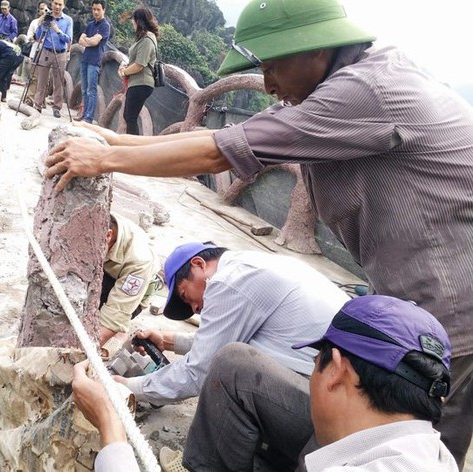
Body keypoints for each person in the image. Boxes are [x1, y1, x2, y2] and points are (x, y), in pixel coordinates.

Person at [48, 0, 473, 464]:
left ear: (315, 51)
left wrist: (106, 159)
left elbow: (218, 153)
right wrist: (117, 140)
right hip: (400, 313)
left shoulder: (365, 91)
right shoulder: (349, 84)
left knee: (406, 452)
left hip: (448, 324)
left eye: (272, 67)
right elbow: (228, 138)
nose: (268, 85)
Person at [73, 295, 459, 472]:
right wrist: (174, 340)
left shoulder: (232, 285)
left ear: (338, 370)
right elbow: (228, 346)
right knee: (236, 362)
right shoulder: (432, 452)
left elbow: (192, 374)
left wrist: (111, 424)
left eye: (316, 363)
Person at [118, 241, 347, 406]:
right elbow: (225, 338)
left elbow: (197, 373)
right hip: (344, 387)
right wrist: (168, 341)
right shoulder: (248, 266)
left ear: (199, 264)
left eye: (187, 297)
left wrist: (126, 387)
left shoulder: (228, 282)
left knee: (227, 370)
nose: (195, 309)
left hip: (330, 399)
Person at [99, 214, 158, 351]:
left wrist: (76, 354)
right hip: (106, 273)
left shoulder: (139, 260)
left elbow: (112, 317)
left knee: (106, 321)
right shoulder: (102, 223)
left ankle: (121, 332)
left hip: (133, 296)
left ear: (108, 236)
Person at [117, 7, 158, 135]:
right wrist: (125, 67)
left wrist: (124, 72)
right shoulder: (143, 37)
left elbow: (139, 65)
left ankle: (133, 146)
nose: (132, 23)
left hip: (142, 83)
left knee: (130, 117)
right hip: (137, 82)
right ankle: (132, 145)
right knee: (129, 116)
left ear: (139, 21)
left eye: (133, 20)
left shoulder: (147, 39)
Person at [33, 0, 73, 118]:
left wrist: (57, 30)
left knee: (59, 81)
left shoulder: (68, 20)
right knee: (42, 81)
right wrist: (41, 22)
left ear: (64, 6)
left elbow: (68, 39)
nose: (57, 6)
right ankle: (38, 105)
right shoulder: (47, 17)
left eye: (60, 4)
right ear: (52, 4)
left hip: (60, 53)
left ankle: (57, 107)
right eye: (55, 3)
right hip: (45, 51)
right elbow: (38, 36)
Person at [75, 0, 110, 124]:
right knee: (84, 89)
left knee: (91, 90)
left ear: (103, 10)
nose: (95, 12)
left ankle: (88, 118)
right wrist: (90, 40)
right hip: (85, 59)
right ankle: (84, 113)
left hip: (94, 62)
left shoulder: (105, 25)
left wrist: (88, 40)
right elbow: (80, 41)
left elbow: (95, 42)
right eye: (94, 9)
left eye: (98, 9)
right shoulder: (90, 25)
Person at [22, 1, 48, 107]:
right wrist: (35, 38)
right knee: (33, 77)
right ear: (38, 10)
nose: (43, 11)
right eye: (41, 9)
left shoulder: (53, 23)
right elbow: (29, 37)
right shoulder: (34, 22)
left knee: (46, 79)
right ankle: (29, 98)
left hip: (47, 53)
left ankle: (41, 99)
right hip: (35, 51)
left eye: (45, 9)